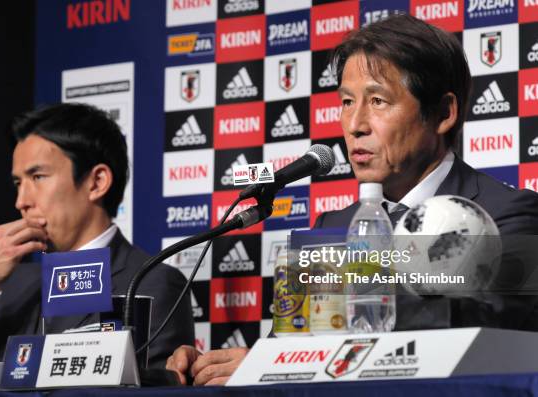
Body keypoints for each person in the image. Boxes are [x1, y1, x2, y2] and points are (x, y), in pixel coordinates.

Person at [166, 14, 538, 385]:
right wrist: (246, 365)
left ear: (443, 113)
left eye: (377, 101)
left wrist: (351, 294)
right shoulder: (332, 227)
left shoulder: (512, 213)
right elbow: (295, 349)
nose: (354, 124)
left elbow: (487, 320)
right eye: (346, 101)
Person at [0, 103, 194, 368]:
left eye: (37, 177)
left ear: (96, 183)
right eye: (18, 183)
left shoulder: (151, 284)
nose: (21, 201)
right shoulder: (11, 285)